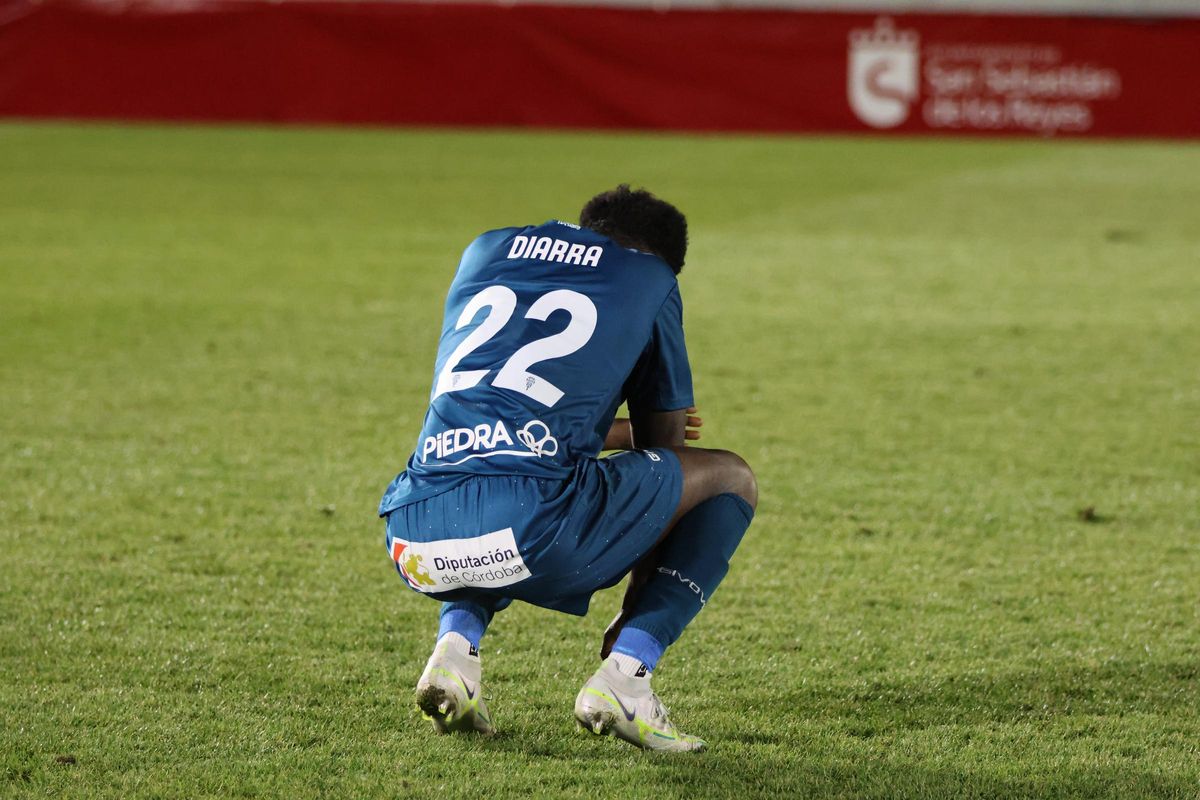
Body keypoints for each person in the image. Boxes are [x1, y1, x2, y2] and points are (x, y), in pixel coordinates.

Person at [379, 185, 757, 753]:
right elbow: (667, 452)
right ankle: (627, 677)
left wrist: (617, 430)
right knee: (730, 477)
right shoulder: (649, 280)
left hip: (411, 535)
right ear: (655, 259)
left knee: (498, 486)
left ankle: (454, 654)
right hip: (535, 530)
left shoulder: (485, 249)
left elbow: (518, 421)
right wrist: (639, 598)